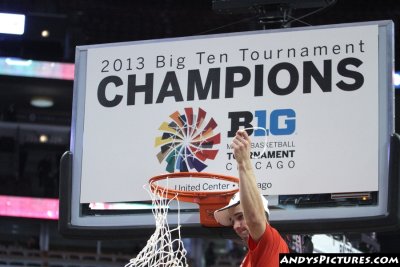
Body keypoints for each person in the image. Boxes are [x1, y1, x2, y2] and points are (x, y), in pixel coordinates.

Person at [214, 130, 289, 267]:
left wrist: (244, 164)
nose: (236, 226)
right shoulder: (248, 259)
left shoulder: (271, 241)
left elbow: (254, 219)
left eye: (241, 216)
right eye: (233, 221)